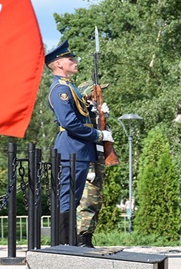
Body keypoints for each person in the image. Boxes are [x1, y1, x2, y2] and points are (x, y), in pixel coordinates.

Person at [45, 40, 113, 245]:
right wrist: (99, 136)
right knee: (67, 196)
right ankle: (62, 242)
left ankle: (70, 242)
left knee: (73, 197)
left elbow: (80, 116)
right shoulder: (60, 90)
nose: (75, 61)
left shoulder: (70, 87)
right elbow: (70, 123)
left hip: (80, 150)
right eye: (70, 58)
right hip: (71, 148)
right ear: (58, 64)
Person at [75, 81, 111, 248]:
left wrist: (103, 118)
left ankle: (88, 236)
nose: (99, 97)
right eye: (95, 93)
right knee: (87, 200)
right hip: (87, 160)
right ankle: (81, 239)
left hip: (98, 158)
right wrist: (92, 114)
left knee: (96, 200)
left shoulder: (96, 111)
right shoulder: (82, 111)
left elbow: (104, 135)